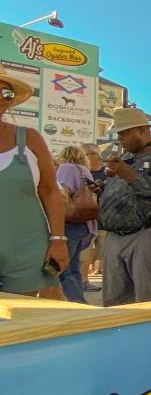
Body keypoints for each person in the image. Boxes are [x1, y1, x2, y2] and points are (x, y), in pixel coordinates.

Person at [97, 107, 151, 306]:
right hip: (115, 236)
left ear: (142, 130)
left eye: (124, 132)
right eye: (118, 134)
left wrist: (131, 176)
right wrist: (101, 189)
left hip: (148, 235)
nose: (120, 138)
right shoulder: (125, 160)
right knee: (115, 302)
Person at [0, 68, 68, 295]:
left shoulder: (29, 138)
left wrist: (58, 239)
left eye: (7, 93)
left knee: (27, 322)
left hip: (27, 250)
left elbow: (50, 191)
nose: (2, 98)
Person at [55, 145, 97, 303]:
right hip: (83, 224)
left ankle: (76, 303)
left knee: (64, 269)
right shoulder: (84, 170)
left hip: (70, 223)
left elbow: (61, 194)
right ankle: (79, 301)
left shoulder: (66, 168)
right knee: (73, 267)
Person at [79, 143, 107, 292]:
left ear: (97, 155)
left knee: (106, 254)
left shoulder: (107, 173)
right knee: (85, 253)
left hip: (104, 221)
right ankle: (84, 281)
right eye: (85, 154)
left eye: (89, 153)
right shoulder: (81, 173)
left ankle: (108, 281)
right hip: (86, 222)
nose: (87, 157)